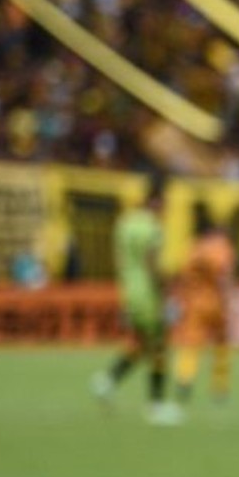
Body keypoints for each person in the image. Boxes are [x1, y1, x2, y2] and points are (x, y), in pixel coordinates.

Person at [92, 179, 181, 426]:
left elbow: (122, 260)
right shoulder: (152, 227)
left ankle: (107, 381)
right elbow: (151, 263)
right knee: (160, 346)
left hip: (130, 290)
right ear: (157, 201)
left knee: (142, 344)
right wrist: (165, 292)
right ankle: (157, 405)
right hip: (148, 293)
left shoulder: (125, 223)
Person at [172, 211, 237, 404]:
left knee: (191, 342)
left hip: (195, 302)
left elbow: (183, 274)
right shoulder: (223, 247)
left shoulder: (195, 246)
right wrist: (228, 297)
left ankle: (185, 378)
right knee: (221, 344)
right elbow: (224, 275)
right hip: (215, 301)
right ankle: (219, 386)